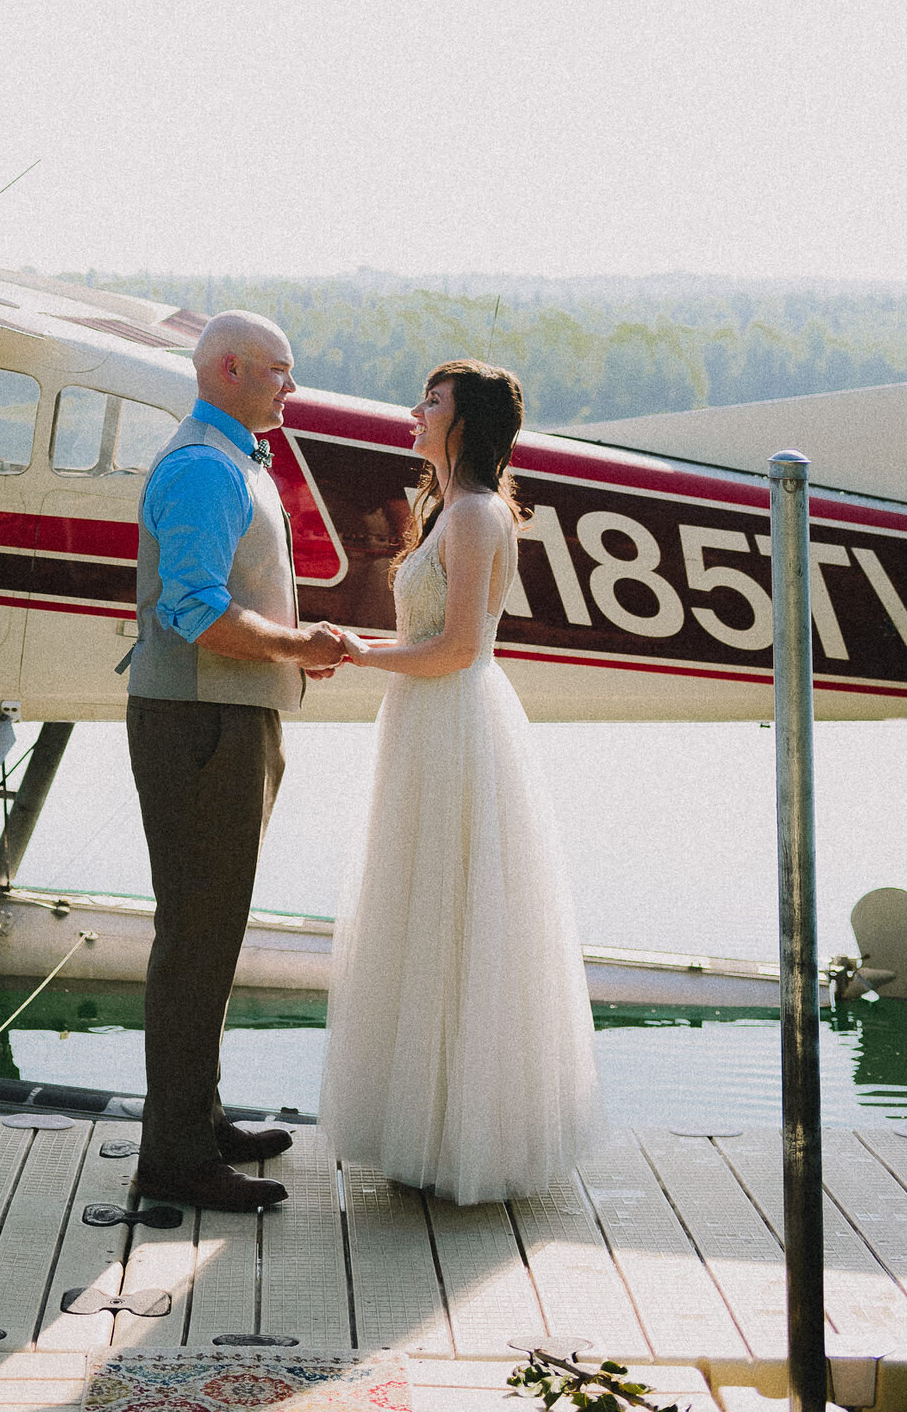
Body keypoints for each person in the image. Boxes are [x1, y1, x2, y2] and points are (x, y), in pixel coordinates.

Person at [317, 357, 605, 1201]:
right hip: (427, 720)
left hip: (453, 720)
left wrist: (358, 652)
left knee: (455, 915)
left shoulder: (476, 515)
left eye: (431, 402)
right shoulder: (450, 511)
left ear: (465, 424)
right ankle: (429, 1128)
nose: (413, 410)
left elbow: (457, 647)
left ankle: (462, 1137)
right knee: (423, 913)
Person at [126, 310, 348, 1211]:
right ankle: (175, 1156)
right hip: (201, 724)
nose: (291, 387)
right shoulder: (203, 469)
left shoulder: (232, 461)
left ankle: (198, 1119)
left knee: (211, 930)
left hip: (224, 719)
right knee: (194, 936)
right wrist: (300, 646)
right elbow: (195, 613)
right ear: (228, 368)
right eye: (280, 372)